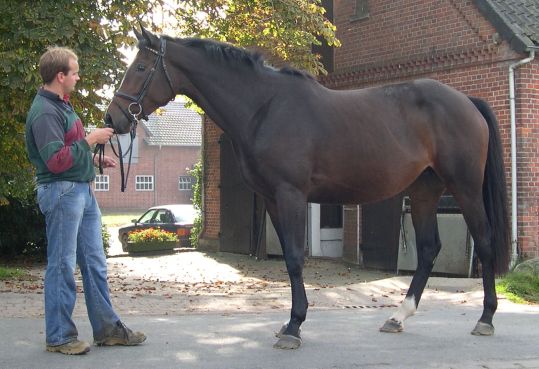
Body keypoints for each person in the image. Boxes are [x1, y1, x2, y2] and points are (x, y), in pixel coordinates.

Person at [25, 46, 146, 355]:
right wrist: (90, 140)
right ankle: (60, 336)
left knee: (94, 263)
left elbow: (70, 153)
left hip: (80, 190)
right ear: (60, 76)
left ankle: (107, 329)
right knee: (62, 265)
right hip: (62, 192)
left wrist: (92, 161)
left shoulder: (63, 106)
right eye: (74, 72)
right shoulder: (45, 112)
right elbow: (55, 161)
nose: (78, 77)